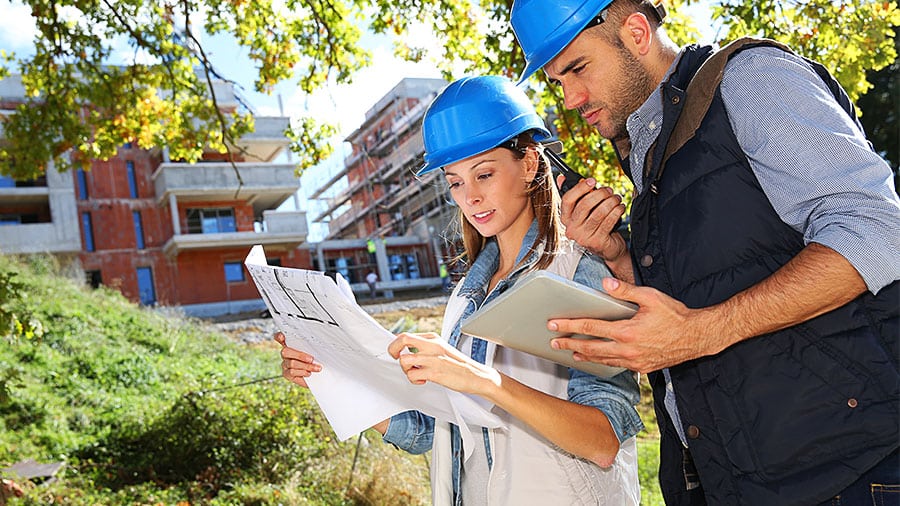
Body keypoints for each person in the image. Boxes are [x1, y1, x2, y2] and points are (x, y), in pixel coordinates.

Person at [509, 1, 900, 505]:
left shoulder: (751, 80)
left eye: (578, 69)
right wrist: (619, 256)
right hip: (743, 483)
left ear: (635, 32)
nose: (571, 99)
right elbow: (695, 299)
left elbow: (874, 231)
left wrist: (703, 332)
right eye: (556, 82)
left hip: (847, 474)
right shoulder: (650, 150)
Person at [276, 75, 643, 505]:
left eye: (483, 174)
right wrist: (332, 371)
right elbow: (432, 432)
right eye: (454, 182)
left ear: (528, 164)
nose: (469, 197)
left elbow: (603, 439)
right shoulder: (465, 299)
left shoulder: (579, 267)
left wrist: (486, 381)